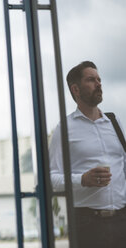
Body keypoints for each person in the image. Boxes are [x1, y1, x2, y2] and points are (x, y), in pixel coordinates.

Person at [49, 61, 126, 248]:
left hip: (122, 221)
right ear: (76, 89)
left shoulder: (115, 124)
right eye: (91, 80)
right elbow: (51, 179)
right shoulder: (64, 128)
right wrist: (82, 179)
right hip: (87, 224)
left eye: (99, 79)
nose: (98, 84)